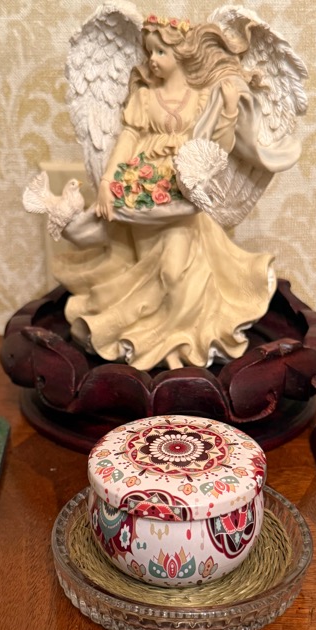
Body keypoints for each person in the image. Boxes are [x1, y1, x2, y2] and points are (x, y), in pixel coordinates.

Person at [54, 16, 278, 371]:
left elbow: (217, 147)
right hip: (143, 195)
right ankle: (148, 341)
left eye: (161, 51)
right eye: (150, 52)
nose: (153, 59)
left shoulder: (202, 99)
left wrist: (229, 108)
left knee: (175, 272)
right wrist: (107, 182)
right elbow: (128, 139)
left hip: (181, 194)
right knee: (147, 272)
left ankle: (179, 340)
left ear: (181, 53)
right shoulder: (144, 97)